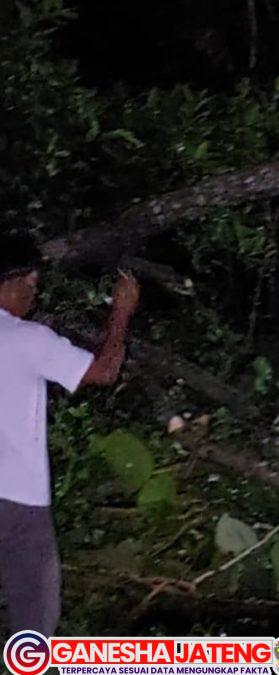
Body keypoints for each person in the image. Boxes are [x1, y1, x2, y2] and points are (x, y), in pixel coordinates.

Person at [0, 233, 140, 639]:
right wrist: (122, 313)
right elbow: (103, 371)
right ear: (15, 282)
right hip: (19, 500)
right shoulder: (27, 338)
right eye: (32, 286)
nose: (33, 295)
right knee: (36, 606)